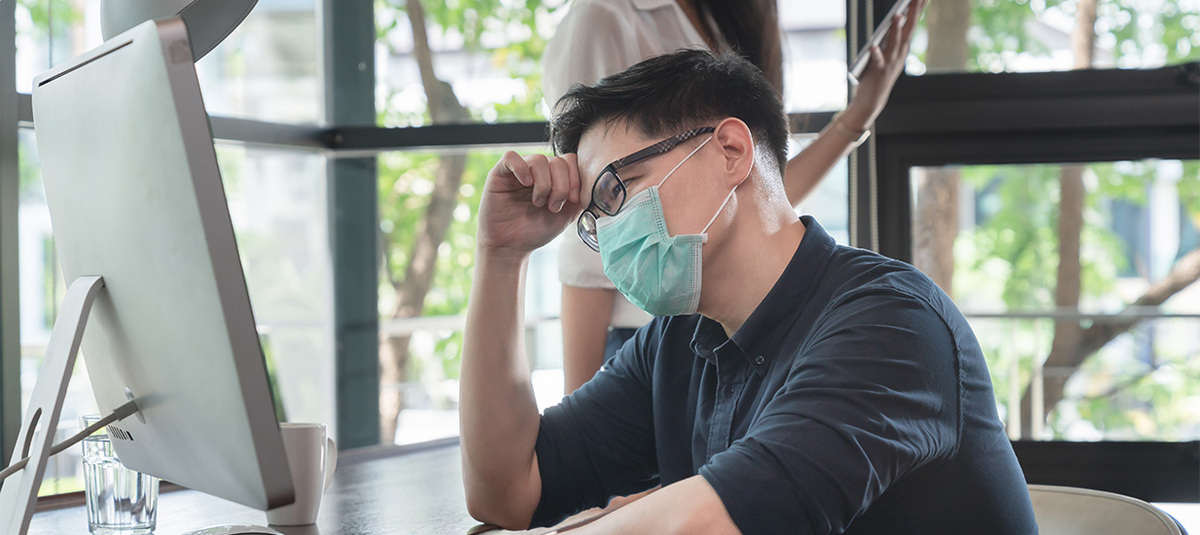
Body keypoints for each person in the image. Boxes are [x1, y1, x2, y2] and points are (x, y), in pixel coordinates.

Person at [460, 49, 1037, 534]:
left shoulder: (891, 323)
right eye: (594, 217)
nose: (608, 231)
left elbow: (710, 524)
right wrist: (501, 257)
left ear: (730, 151)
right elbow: (506, 490)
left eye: (617, 189)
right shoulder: (678, 340)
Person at [545, 0, 927, 394]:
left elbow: (760, 189)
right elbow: (591, 235)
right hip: (645, 340)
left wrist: (858, 115)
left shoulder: (728, 18)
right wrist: (580, 393)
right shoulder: (602, 19)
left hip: (725, 330)